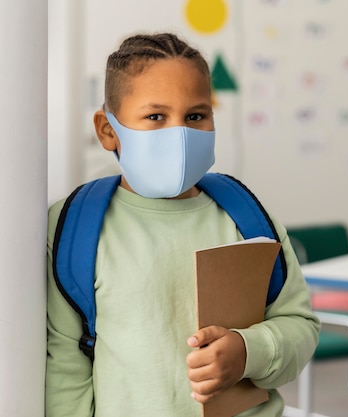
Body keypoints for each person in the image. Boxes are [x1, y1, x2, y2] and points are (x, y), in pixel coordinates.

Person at [45, 33, 320, 417]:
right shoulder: (72, 227)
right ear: (108, 130)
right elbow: (64, 366)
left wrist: (247, 351)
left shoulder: (249, 216)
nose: (180, 134)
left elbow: (300, 327)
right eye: (155, 116)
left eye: (195, 116)